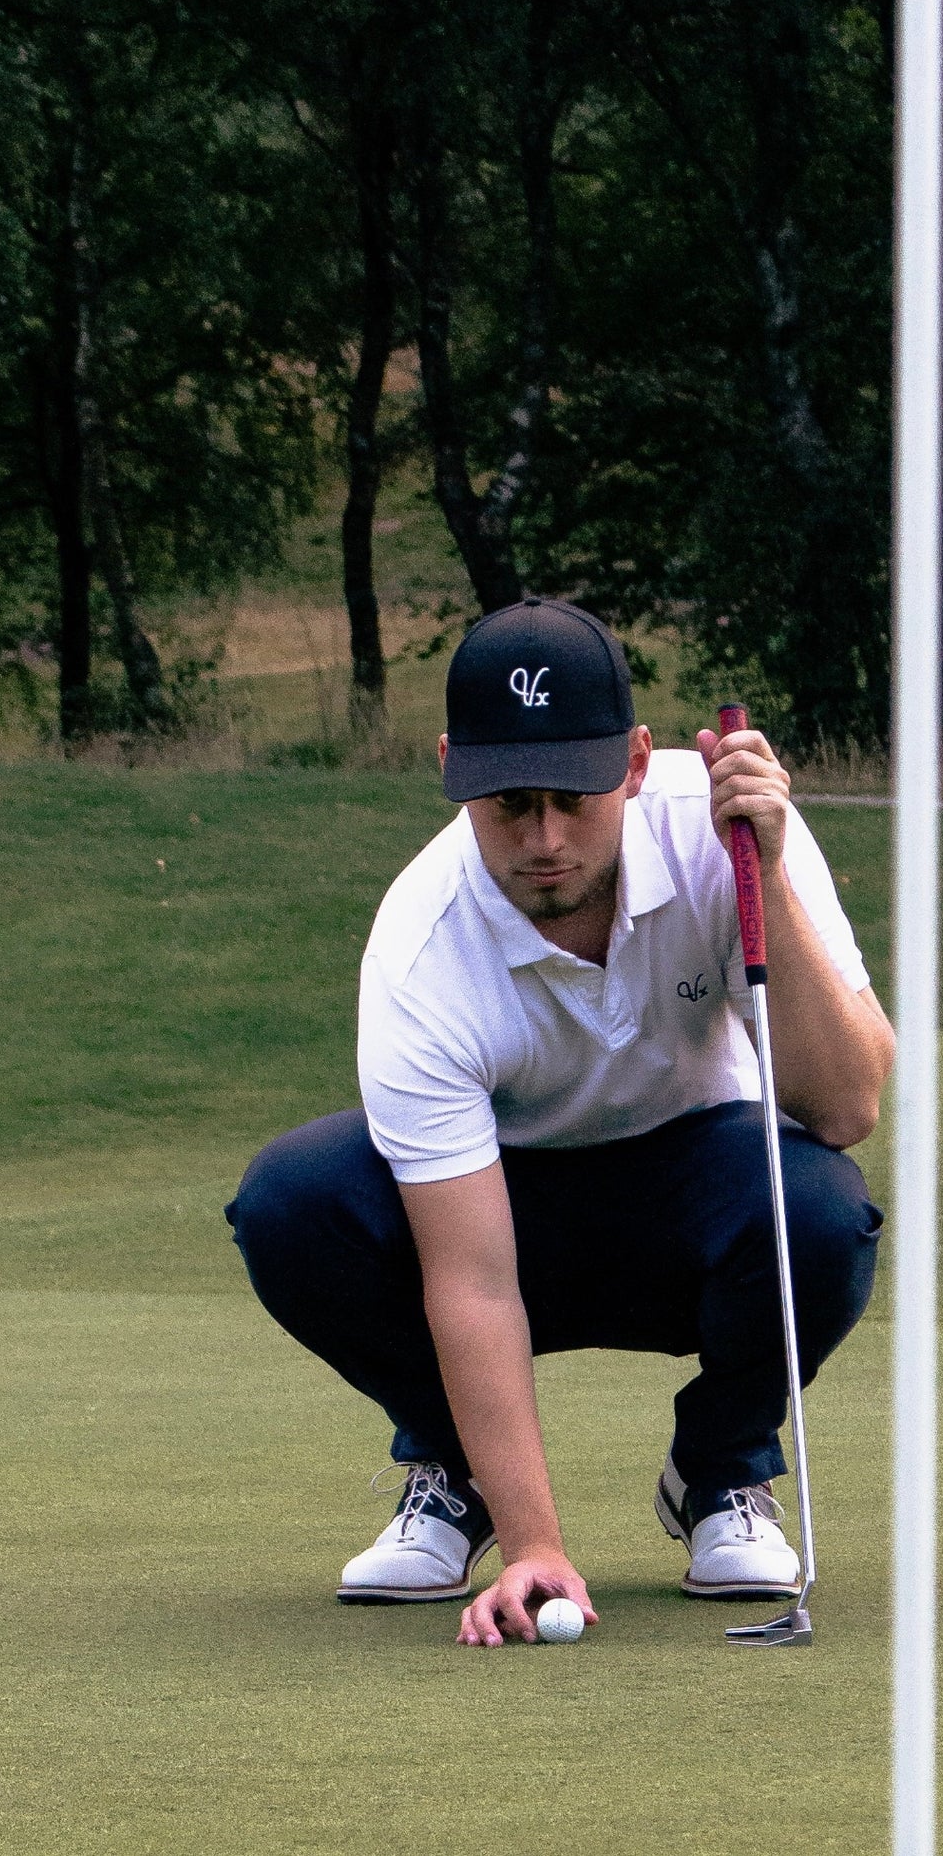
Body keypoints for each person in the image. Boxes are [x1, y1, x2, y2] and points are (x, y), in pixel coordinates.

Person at [226, 598, 893, 1647]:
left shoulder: (726, 825)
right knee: (291, 1202)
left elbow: (846, 1104)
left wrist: (762, 869)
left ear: (634, 761)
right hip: (504, 1200)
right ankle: (463, 1476)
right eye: (506, 802)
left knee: (816, 1207)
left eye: (571, 799)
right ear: (450, 767)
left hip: (693, 1185)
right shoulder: (419, 942)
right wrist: (539, 1546)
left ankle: (720, 1471)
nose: (541, 839)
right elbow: (474, 1279)